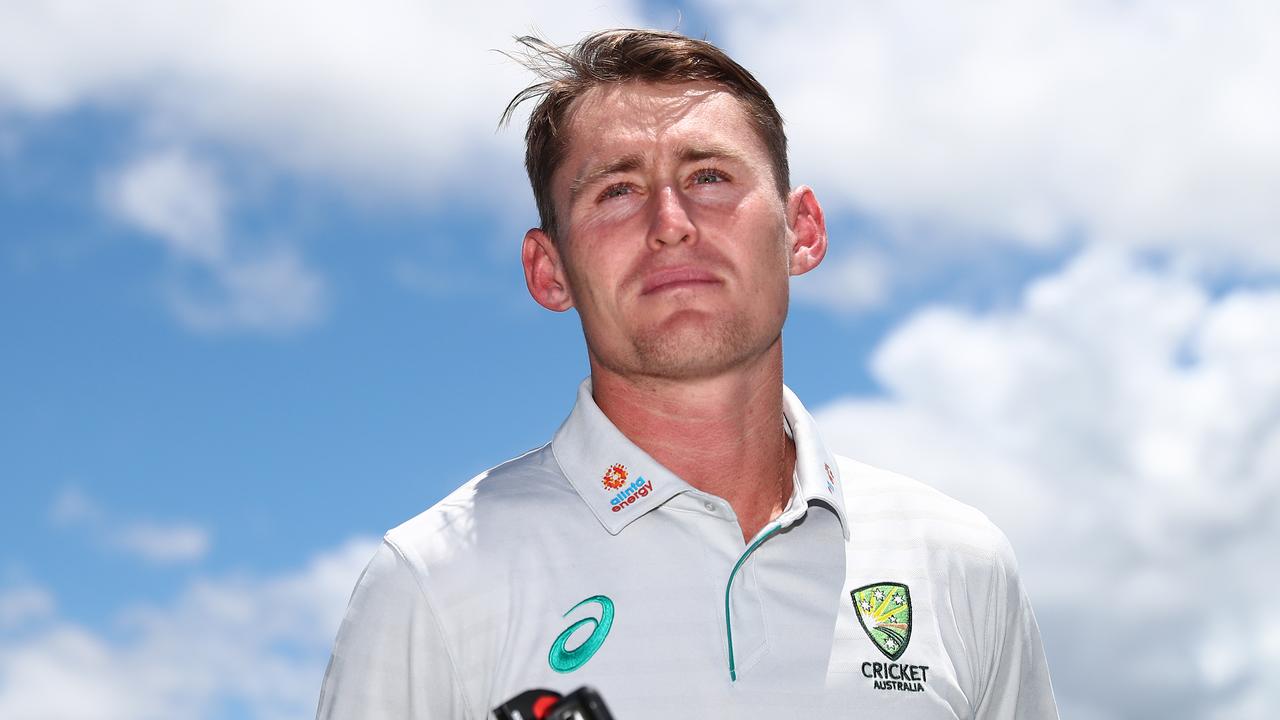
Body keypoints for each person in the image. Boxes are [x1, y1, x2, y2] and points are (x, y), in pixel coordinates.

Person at [316, 29, 1058, 719]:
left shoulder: (959, 561)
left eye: (708, 176)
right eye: (617, 190)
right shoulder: (432, 581)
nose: (670, 220)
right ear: (550, 271)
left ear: (802, 230)